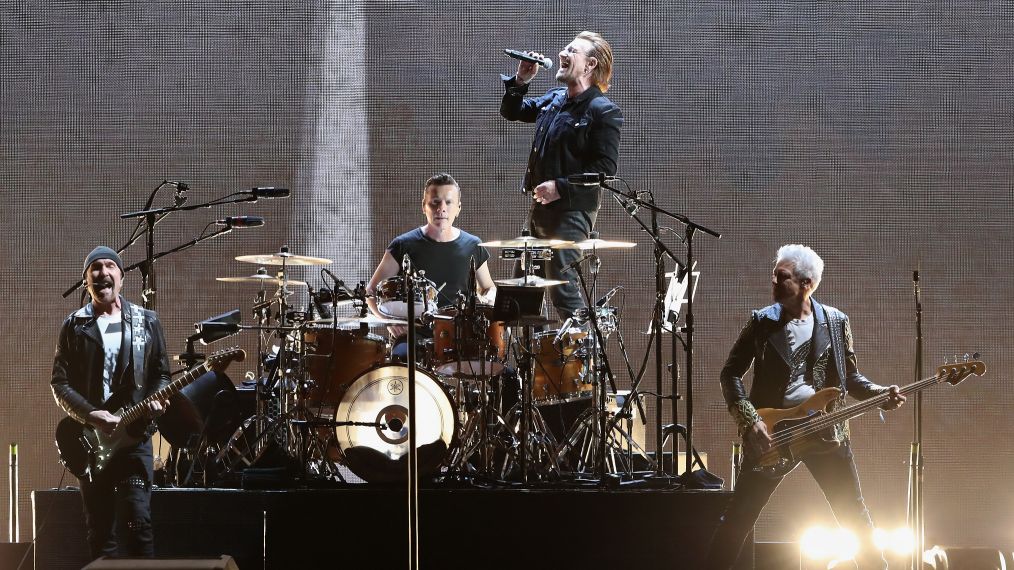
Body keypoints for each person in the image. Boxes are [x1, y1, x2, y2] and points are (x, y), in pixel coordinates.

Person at [705, 244, 906, 569]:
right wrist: (749, 419)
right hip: (772, 435)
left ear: (807, 283)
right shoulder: (761, 322)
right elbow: (730, 374)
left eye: (782, 277)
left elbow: (850, 378)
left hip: (826, 434)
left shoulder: (837, 322)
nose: (774, 282)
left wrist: (880, 392)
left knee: (855, 518)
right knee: (738, 520)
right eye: (774, 275)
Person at [51, 246, 171, 560]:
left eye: (109, 266)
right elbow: (59, 383)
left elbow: (161, 373)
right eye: (95, 268)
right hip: (92, 442)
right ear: (86, 281)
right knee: (99, 533)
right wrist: (91, 416)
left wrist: (157, 400)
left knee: (138, 523)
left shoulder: (145, 322)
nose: (103, 272)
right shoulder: (74, 326)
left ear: (121, 277)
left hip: (134, 439)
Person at [499, 31, 623, 319]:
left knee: (562, 288)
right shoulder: (555, 100)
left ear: (590, 65)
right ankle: (526, 362)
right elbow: (512, 111)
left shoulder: (602, 111)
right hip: (539, 212)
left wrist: (560, 187)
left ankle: (583, 359)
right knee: (521, 289)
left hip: (571, 211)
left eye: (572, 50)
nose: (561, 54)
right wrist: (521, 81)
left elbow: (605, 170)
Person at [367, 173, 497, 353]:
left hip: (462, 334)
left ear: (458, 208)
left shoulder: (473, 245)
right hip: (415, 334)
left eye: (448, 202)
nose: (441, 208)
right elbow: (371, 292)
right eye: (435, 202)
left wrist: (489, 298)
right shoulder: (402, 245)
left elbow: (488, 287)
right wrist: (388, 320)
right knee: (401, 356)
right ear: (424, 206)